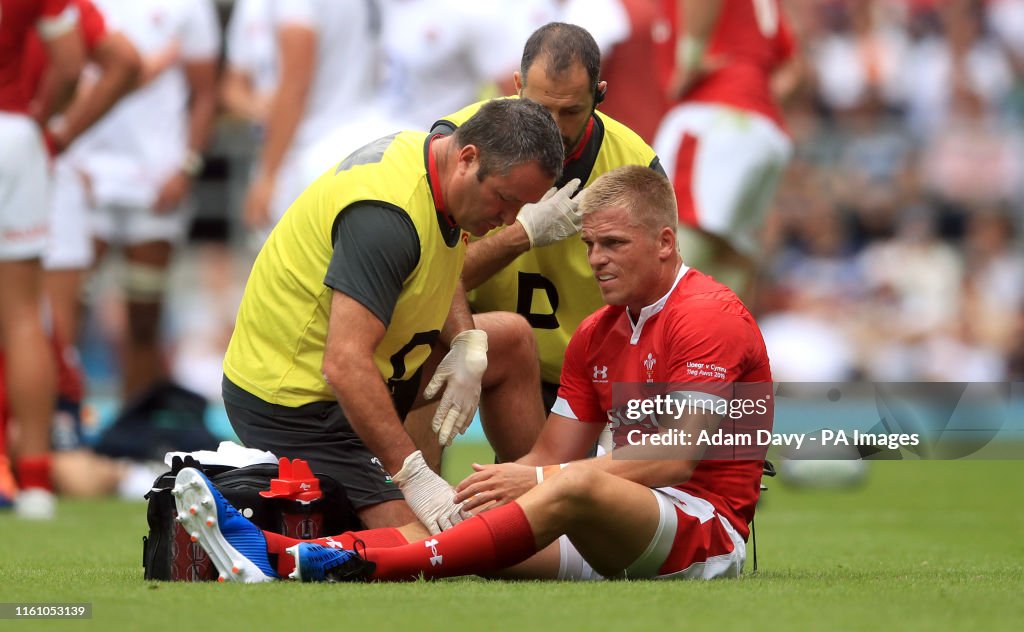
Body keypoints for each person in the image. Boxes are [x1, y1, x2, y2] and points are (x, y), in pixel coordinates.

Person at [171, 165, 774, 583]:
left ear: (666, 243)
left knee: (570, 486)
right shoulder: (597, 332)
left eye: (613, 244)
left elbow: (676, 459)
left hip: (704, 532)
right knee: (459, 523)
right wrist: (496, 484)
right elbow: (550, 454)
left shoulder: (706, 315)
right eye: (590, 245)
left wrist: (542, 480)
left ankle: (321, 563)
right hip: (611, 520)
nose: (595, 261)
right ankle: (274, 554)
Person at [221, 98, 564, 533]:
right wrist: (414, 476)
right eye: (504, 200)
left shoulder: (435, 161)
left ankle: (541, 519)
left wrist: (466, 340)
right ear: (468, 158)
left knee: (510, 339)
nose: (508, 220)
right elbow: (344, 364)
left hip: (373, 370)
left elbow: (440, 261)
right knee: (426, 550)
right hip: (300, 404)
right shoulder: (387, 216)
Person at [407, 23, 666, 464]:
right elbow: (429, 273)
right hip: (482, 343)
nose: (555, 128)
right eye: (542, 108)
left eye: (571, 112)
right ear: (516, 86)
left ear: (600, 95)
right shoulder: (461, 142)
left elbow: (663, 302)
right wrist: (521, 235)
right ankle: (417, 501)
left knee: (605, 518)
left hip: (591, 376)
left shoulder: (634, 167)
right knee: (423, 338)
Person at [653, 0, 804, 300]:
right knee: (731, 256)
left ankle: (661, 342)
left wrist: (690, 61)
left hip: (713, 119)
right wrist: (754, 97)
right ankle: (718, 344)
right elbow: (794, 68)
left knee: (667, 236)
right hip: (764, 132)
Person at [0, 0, 85, 519]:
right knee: (24, 316)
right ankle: (34, 481)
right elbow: (74, 63)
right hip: (13, 133)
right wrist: (39, 119)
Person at [242, 0, 383, 237]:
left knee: (282, 266)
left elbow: (296, 83)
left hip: (309, 154)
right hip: (363, 141)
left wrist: (268, 174)